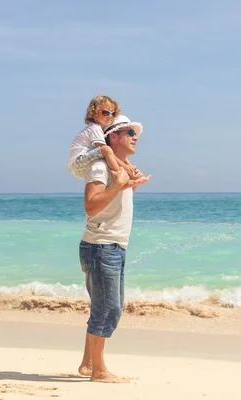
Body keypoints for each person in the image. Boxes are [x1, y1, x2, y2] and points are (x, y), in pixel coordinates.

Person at [77, 115, 150, 383]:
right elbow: (91, 204)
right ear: (113, 137)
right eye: (129, 131)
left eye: (136, 133)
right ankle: (99, 371)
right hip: (101, 246)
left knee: (105, 307)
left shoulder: (119, 168)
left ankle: (88, 364)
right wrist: (120, 183)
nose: (135, 137)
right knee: (108, 309)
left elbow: (113, 204)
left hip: (112, 246)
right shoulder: (100, 167)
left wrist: (130, 183)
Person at [68, 95, 143, 182]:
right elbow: (106, 150)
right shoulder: (94, 128)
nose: (110, 116)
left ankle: (123, 177)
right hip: (77, 162)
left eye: (113, 114)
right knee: (106, 149)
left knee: (107, 150)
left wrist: (131, 167)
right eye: (106, 113)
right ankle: (120, 176)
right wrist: (125, 167)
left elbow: (110, 153)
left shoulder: (98, 130)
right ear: (94, 113)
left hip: (81, 164)